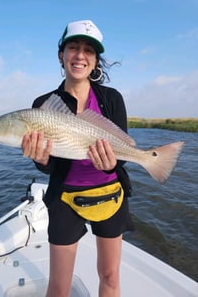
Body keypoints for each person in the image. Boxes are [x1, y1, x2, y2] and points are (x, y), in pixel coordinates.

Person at [22, 20, 134, 297]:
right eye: (73, 47)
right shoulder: (43, 104)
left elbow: (121, 155)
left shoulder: (111, 99)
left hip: (110, 193)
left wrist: (114, 163)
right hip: (65, 198)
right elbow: (49, 166)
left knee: (109, 277)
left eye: (88, 50)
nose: (80, 55)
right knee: (59, 286)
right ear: (61, 54)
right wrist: (41, 160)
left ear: (96, 60)